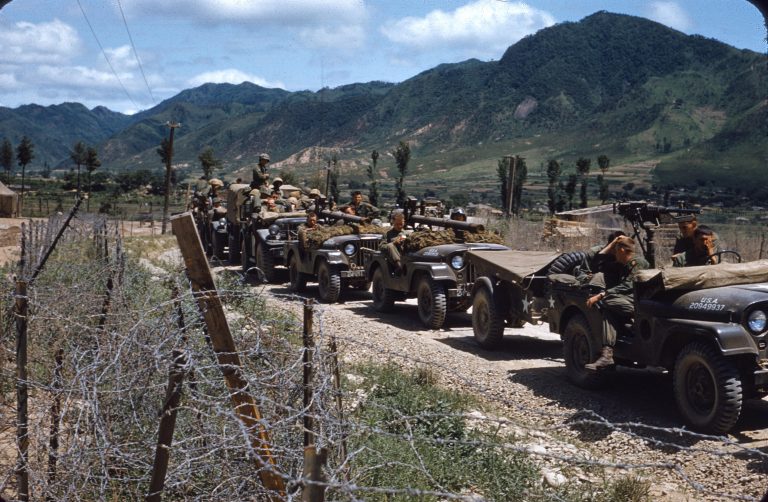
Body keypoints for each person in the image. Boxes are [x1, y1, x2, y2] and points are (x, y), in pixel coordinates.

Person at [581, 236, 648, 370]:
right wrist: (612, 244)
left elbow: (628, 285)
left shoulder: (638, 262)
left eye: (616, 251)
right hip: (626, 300)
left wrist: (601, 295)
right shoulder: (622, 264)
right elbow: (598, 263)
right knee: (608, 312)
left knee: (605, 300)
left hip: (638, 302)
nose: (614, 254)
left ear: (622, 250)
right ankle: (607, 354)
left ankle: (635, 317)